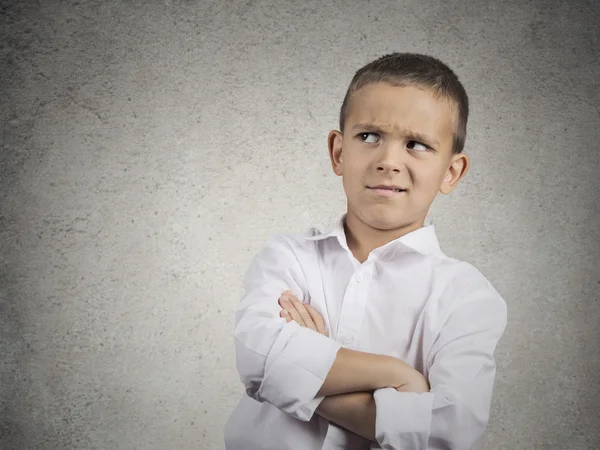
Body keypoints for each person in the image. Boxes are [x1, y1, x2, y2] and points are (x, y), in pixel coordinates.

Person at [224, 52, 508, 450]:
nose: (389, 161)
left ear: (451, 172)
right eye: (369, 136)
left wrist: (304, 367)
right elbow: (257, 359)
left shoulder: (467, 296)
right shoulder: (287, 258)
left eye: (417, 144)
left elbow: (449, 430)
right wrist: (396, 375)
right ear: (338, 152)